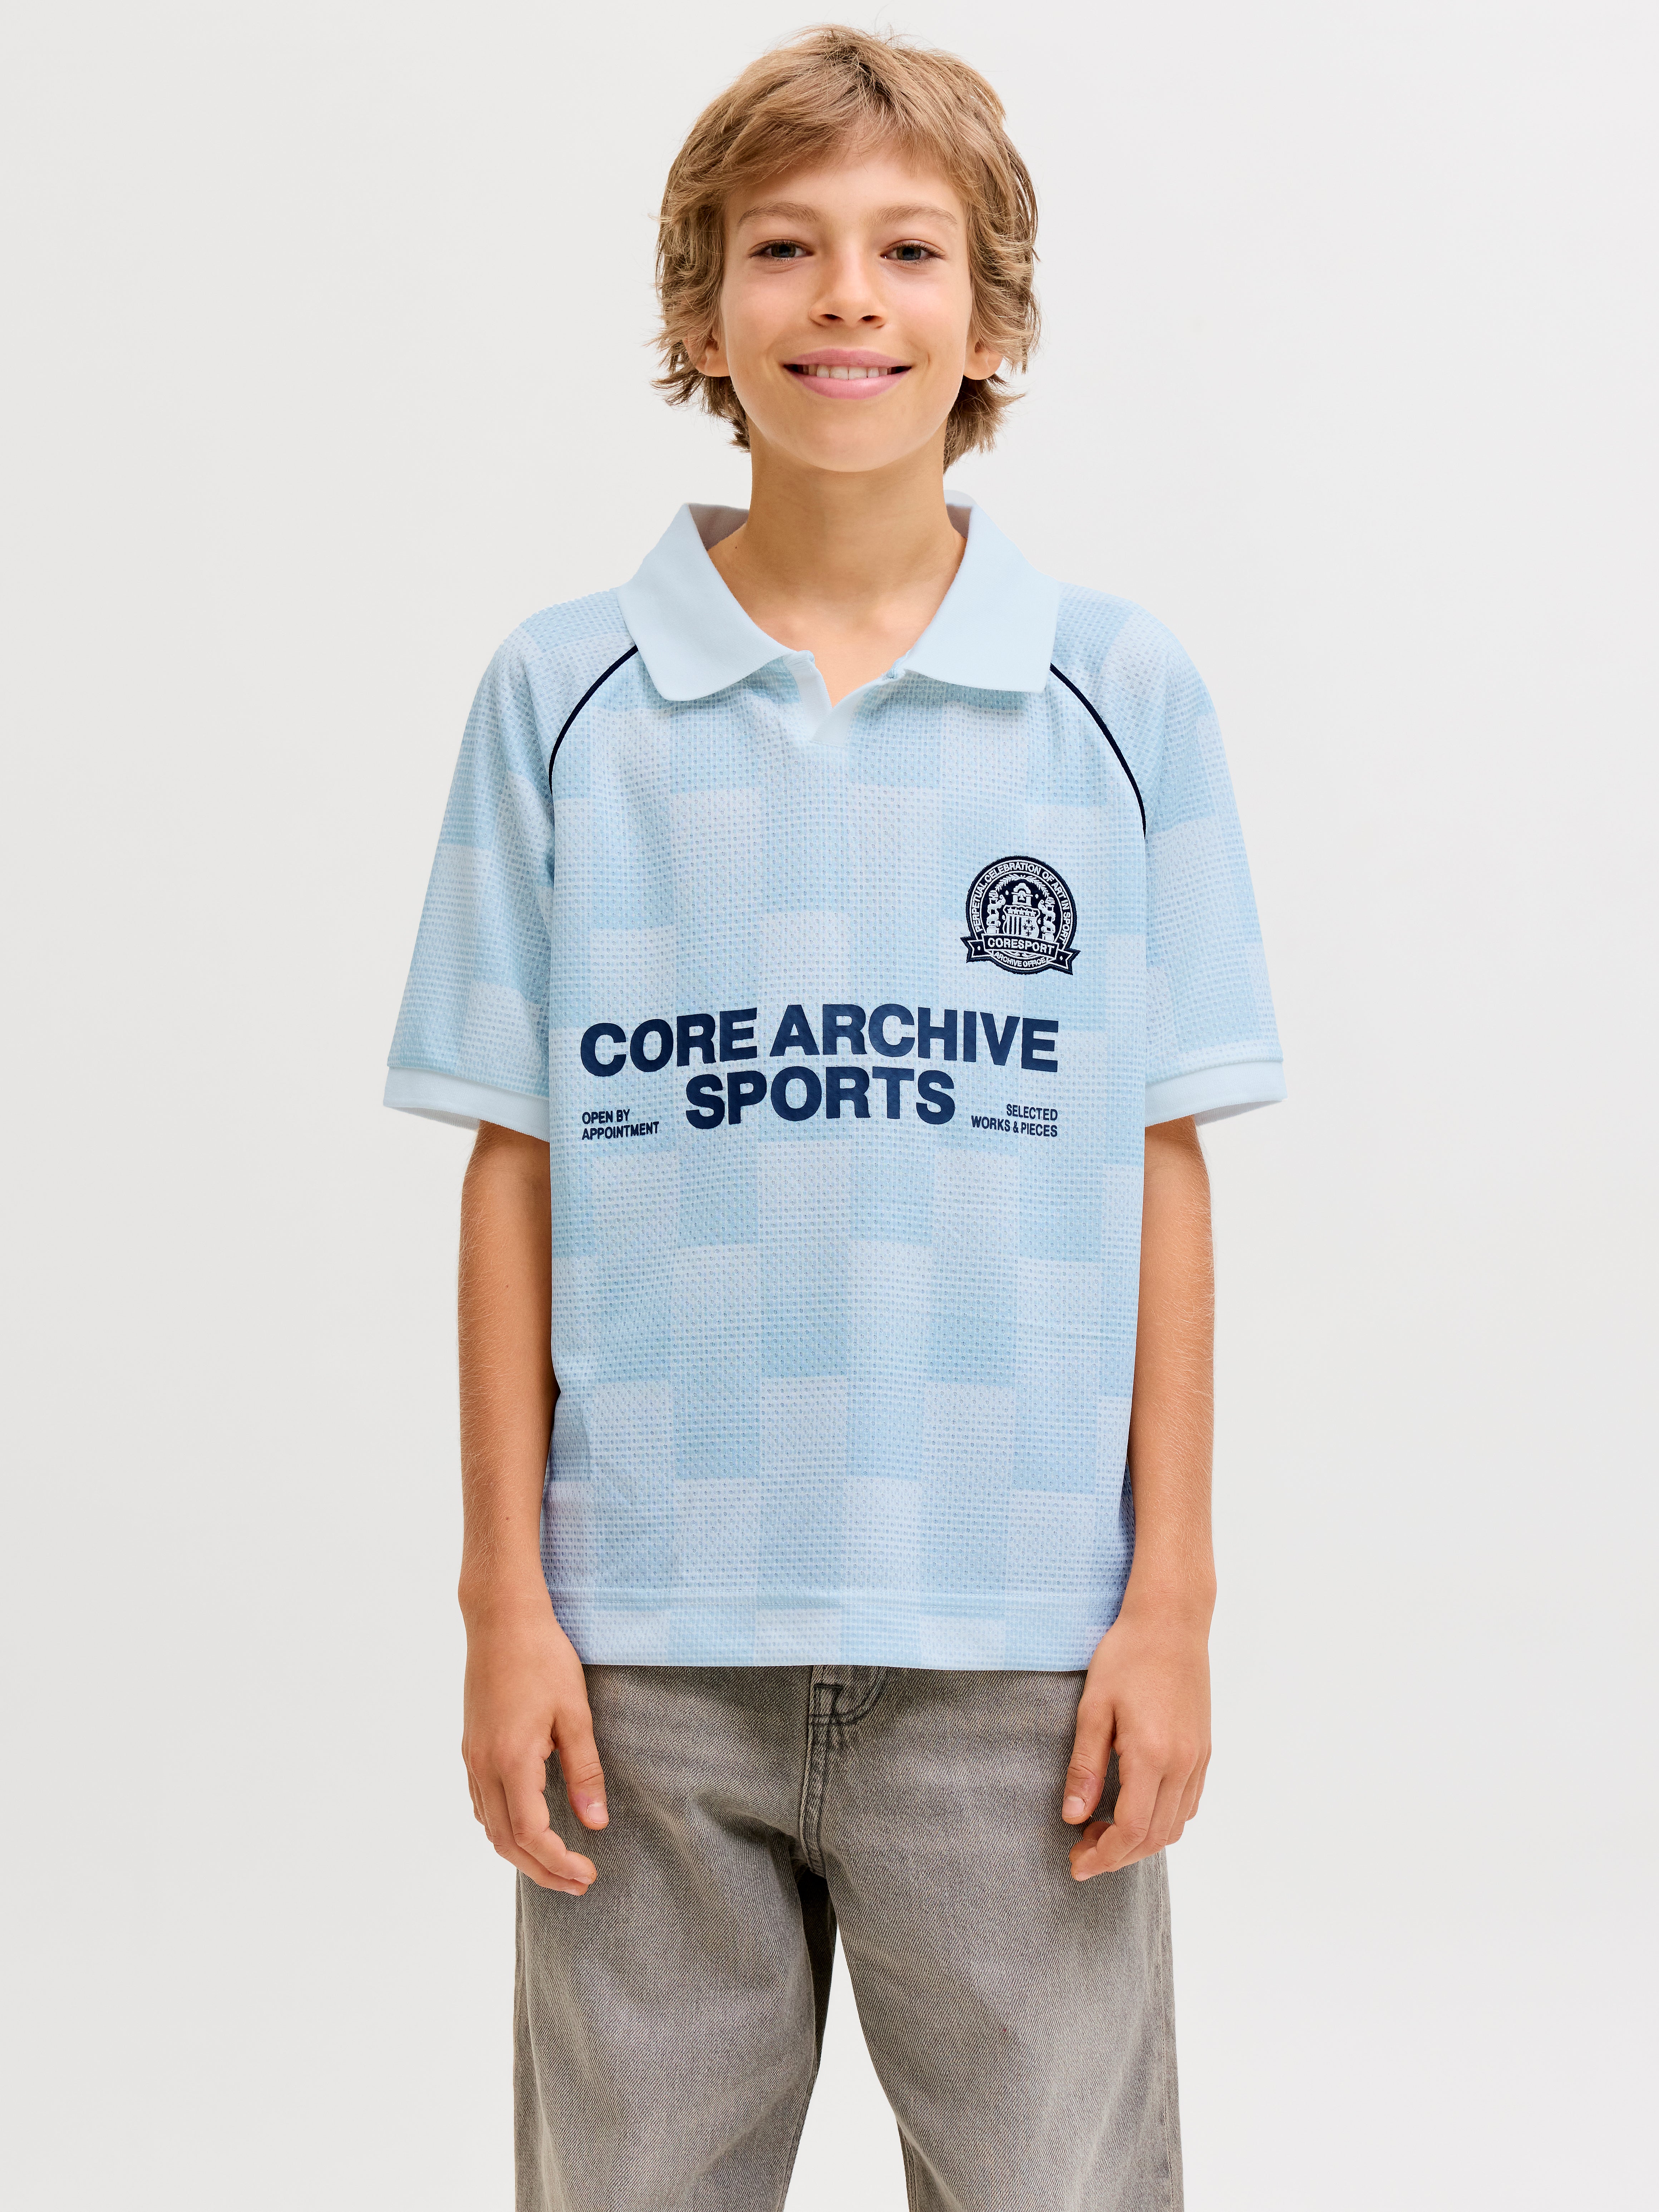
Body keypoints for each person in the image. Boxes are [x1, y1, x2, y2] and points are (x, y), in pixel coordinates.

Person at [385, 25, 1283, 2210]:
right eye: (784, 249)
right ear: (703, 314)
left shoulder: (1118, 697)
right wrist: (507, 1602)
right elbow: (516, 1170)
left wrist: (1169, 1599)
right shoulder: (564, 701)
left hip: (1020, 1656)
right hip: (644, 1658)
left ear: (993, 318)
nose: (848, 297)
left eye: (909, 249)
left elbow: (1156, 1166)